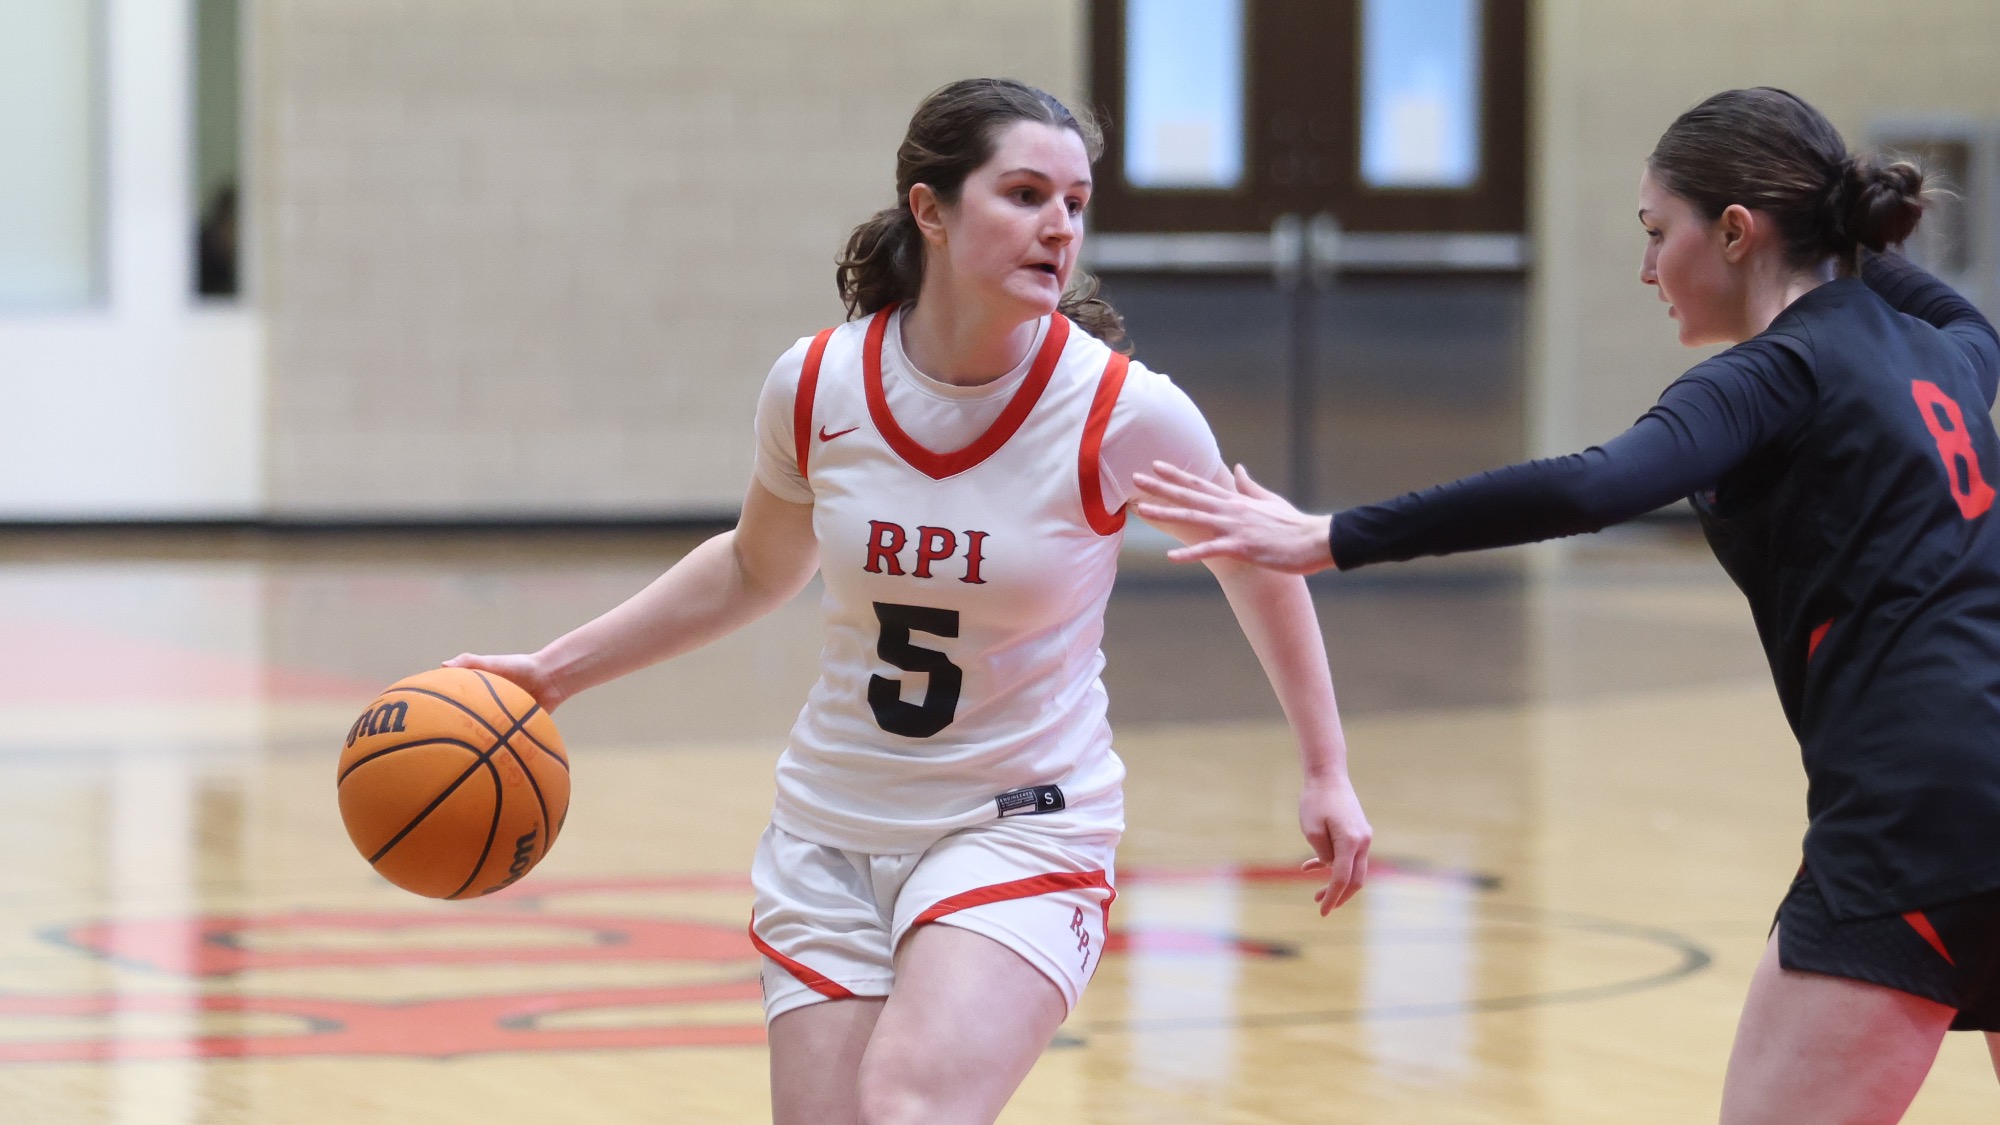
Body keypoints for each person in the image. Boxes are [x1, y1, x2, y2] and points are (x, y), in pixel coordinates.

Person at [447, 78, 1371, 1125]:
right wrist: (550, 673)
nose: (1057, 226)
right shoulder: (817, 384)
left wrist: (1326, 769)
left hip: (1020, 825)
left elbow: (1258, 564)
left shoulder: (1122, 411)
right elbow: (756, 567)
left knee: (908, 1107)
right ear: (929, 211)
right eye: (1023, 194)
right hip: (828, 833)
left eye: (1074, 202)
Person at [1133, 86, 2000, 1123]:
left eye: (1654, 232)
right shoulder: (1944, 354)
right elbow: (1963, 313)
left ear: (1734, 231)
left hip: (1918, 810)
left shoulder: (1772, 376)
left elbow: (1588, 487)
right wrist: (1830, 220)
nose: (1644, 268)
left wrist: (1330, 536)